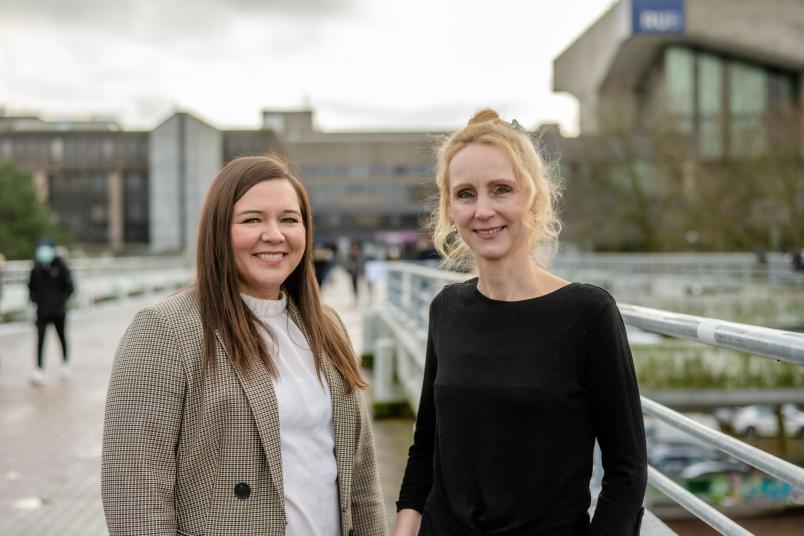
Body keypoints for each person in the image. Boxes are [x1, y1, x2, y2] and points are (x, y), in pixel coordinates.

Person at [102, 155, 386, 535]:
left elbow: (361, 477)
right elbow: (134, 495)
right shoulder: (165, 330)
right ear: (219, 231)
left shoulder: (326, 325)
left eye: (289, 219)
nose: (274, 234)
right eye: (253, 219)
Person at [394, 110, 647, 535]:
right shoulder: (446, 309)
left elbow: (627, 471)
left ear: (533, 196)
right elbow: (427, 446)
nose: (484, 210)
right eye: (466, 194)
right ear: (449, 209)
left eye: (501, 190)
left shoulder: (588, 313)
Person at [28, 238, 74, 385]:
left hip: (58, 311)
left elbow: (70, 288)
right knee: (40, 340)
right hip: (41, 311)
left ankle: (65, 364)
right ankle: (39, 369)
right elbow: (30, 287)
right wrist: (35, 301)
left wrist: (60, 302)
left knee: (61, 337)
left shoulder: (61, 266)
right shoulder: (36, 267)